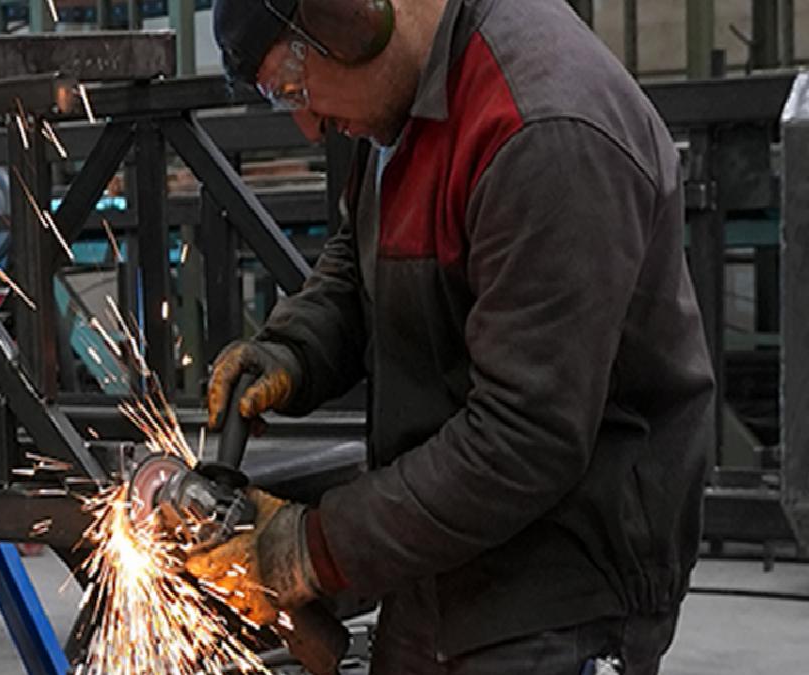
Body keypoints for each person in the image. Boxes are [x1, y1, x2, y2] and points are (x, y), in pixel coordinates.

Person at [185, 0, 716, 672]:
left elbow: (523, 437)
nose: (308, 123)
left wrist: (308, 548)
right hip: (444, 561)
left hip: (555, 599)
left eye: (294, 86)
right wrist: (293, 349)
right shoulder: (405, 100)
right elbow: (361, 262)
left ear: (354, 16)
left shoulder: (539, 127)